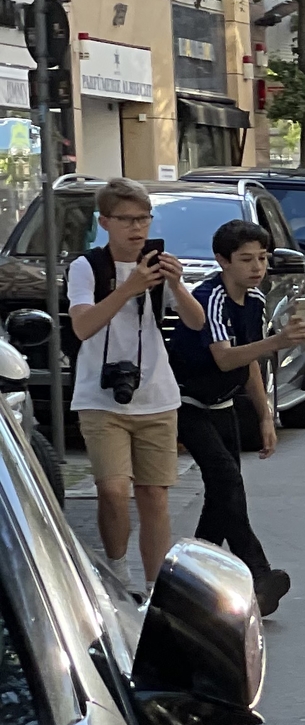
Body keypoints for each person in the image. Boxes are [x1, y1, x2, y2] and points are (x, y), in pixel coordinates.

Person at [169, 220, 305, 616]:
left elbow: (250, 358)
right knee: (227, 481)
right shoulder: (212, 298)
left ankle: (190, 581)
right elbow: (224, 356)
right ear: (222, 261)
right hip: (187, 401)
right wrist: (279, 341)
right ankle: (258, 572)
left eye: (263, 258)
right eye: (246, 259)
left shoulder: (254, 302)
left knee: (225, 494)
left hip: (223, 404)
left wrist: (265, 415)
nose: (257, 267)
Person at [68, 177, 206, 590]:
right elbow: (82, 326)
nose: (137, 229)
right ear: (104, 222)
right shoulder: (87, 267)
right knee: (111, 491)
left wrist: (177, 285)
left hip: (156, 394)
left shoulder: (160, 264)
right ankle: (117, 573)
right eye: (126, 219)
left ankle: (155, 592)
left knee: (154, 498)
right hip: (99, 395)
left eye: (144, 219)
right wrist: (128, 288)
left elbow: (197, 323)